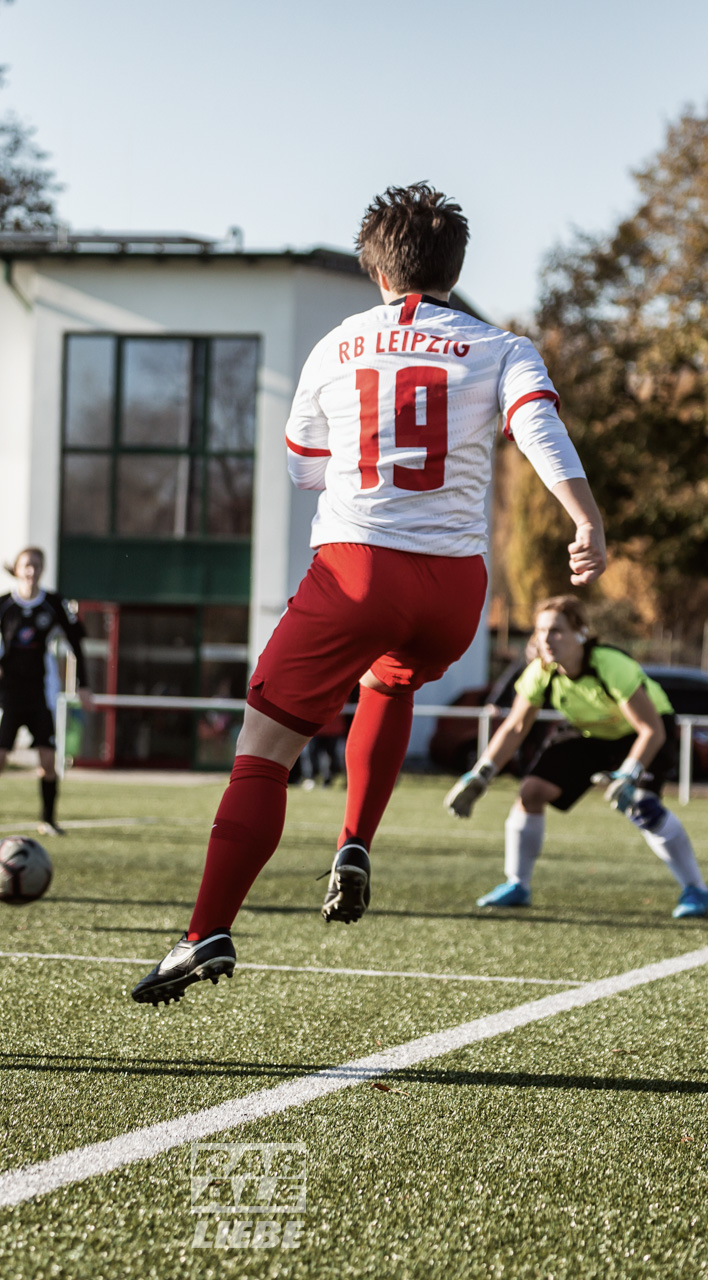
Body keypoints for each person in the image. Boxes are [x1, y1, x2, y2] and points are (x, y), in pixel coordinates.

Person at [130, 183, 606, 1005]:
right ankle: (355, 840)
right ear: (455, 266)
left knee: (263, 753)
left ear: (374, 269)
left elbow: (301, 467)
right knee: (391, 676)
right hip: (455, 591)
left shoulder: (335, 345)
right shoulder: (502, 347)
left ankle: (204, 929)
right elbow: (537, 428)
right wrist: (585, 519)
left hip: (355, 571)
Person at [446, 596, 708, 916]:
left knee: (642, 806)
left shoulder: (610, 665)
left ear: (581, 632)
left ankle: (696, 890)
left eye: (556, 630)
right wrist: (481, 774)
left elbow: (651, 730)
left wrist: (628, 774)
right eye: (541, 630)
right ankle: (517, 884)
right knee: (531, 791)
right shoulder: (540, 672)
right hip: (589, 733)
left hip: (645, 732)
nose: (546, 638)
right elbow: (515, 728)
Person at [0, 547, 88, 836]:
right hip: (6, 692)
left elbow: (77, 644)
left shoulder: (53, 604)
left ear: (42, 569)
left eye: (36, 565)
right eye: (26, 565)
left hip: (39, 692)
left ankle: (47, 819)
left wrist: (84, 684)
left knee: (48, 759)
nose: (31, 570)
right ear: (17, 569)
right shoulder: (2, 603)